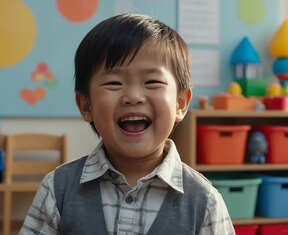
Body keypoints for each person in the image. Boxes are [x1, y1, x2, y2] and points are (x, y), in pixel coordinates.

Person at [19, 13, 235, 235]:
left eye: (152, 82)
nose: (133, 96)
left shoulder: (204, 201)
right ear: (86, 106)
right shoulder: (57, 189)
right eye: (114, 83)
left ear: (180, 103)